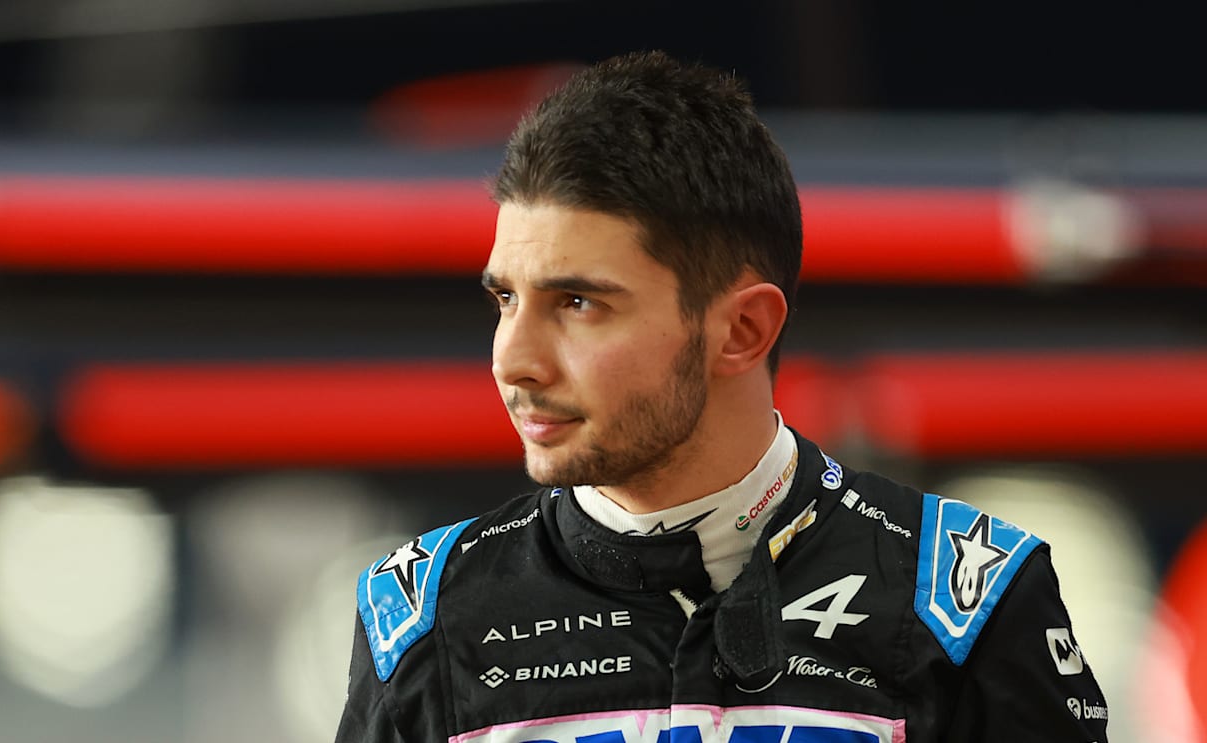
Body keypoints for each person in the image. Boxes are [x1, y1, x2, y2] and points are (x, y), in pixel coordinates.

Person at [336, 51, 1108, 742]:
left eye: (577, 303)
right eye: (505, 299)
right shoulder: (423, 613)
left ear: (742, 330)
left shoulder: (962, 597)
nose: (514, 360)